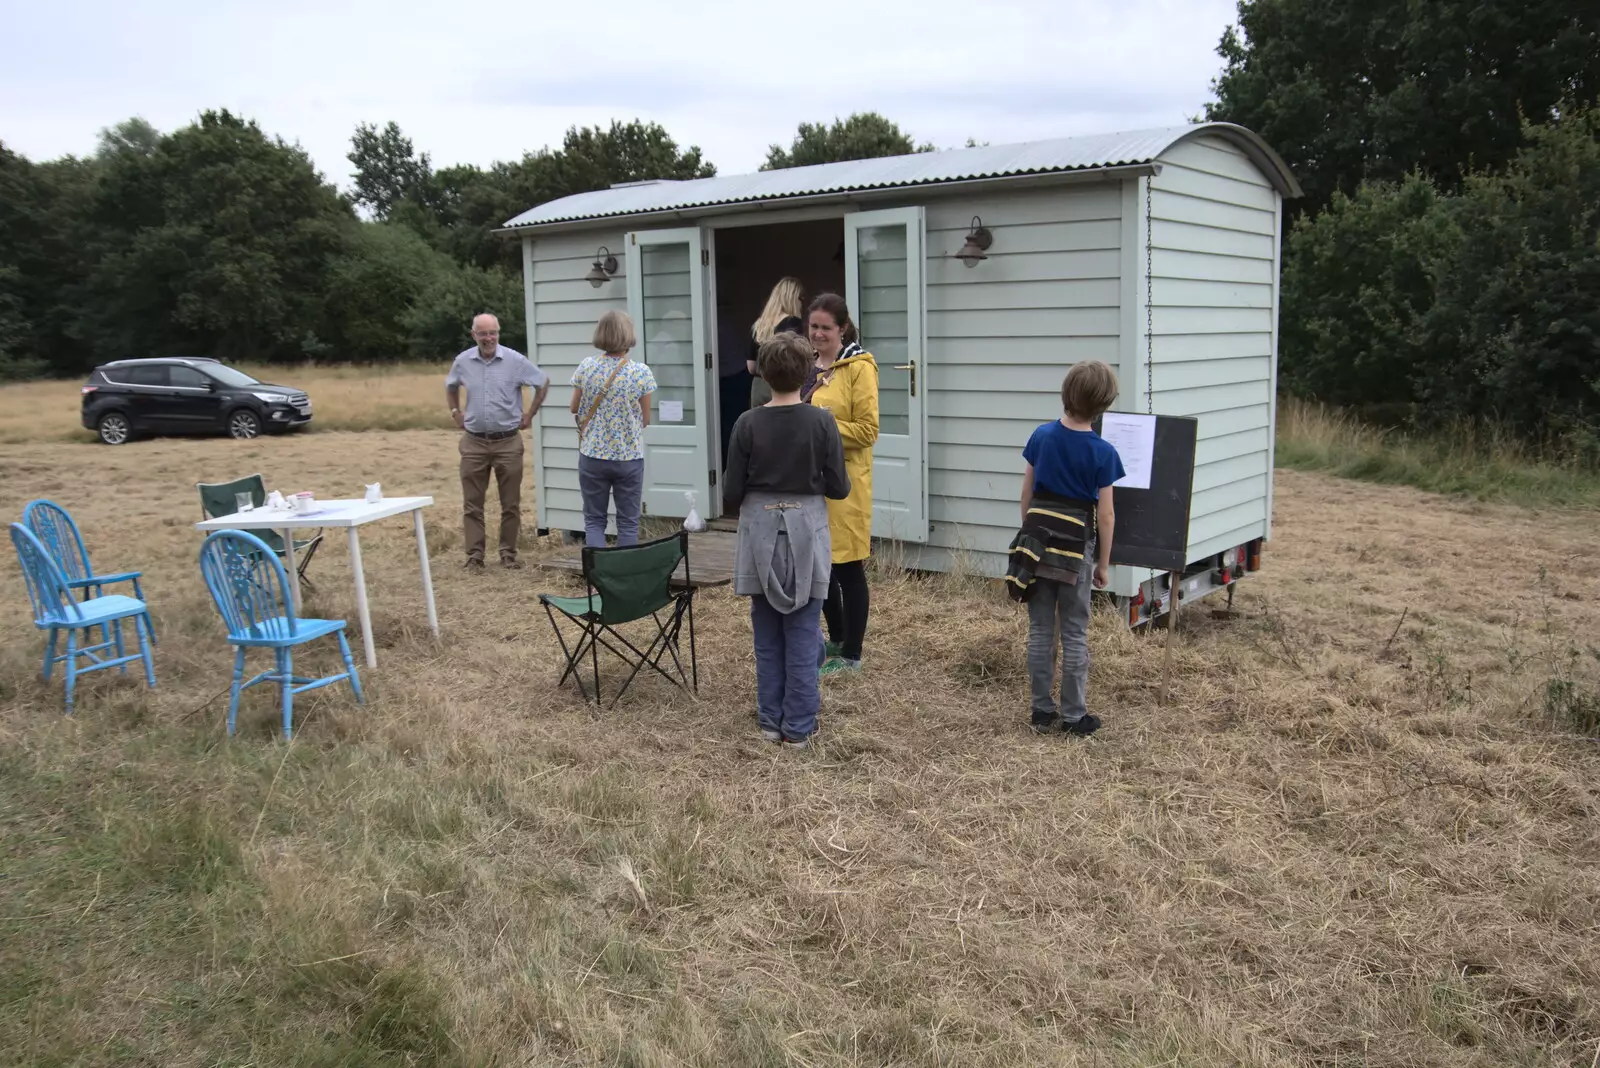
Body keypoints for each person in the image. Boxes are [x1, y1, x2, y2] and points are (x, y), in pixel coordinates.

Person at [724, 332, 850, 748]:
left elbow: (731, 493)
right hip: (806, 531)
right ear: (810, 371)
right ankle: (798, 728)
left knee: (766, 634)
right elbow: (839, 488)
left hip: (760, 531)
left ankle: (769, 724)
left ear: (762, 371)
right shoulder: (822, 421)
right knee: (802, 631)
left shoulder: (746, 422)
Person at [1017, 360, 1124, 737]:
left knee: (1041, 629)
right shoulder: (1102, 452)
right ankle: (1075, 716)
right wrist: (1103, 564)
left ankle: (1041, 712)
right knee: (1075, 631)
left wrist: (1031, 537)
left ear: (1066, 394)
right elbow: (1106, 515)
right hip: (1079, 548)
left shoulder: (1041, 437)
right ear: (1104, 404)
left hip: (1039, 543)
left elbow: (1026, 494)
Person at [804, 293, 879, 675]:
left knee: (848, 568)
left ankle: (852, 653)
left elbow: (868, 431)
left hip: (846, 482)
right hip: (811, 482)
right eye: (813, 326)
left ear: (842, 329)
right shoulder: (809, 366)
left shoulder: (859, 368)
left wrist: (822, 424)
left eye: (825, 328)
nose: (817, 334)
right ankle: (834, 637)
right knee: (822, 567)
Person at [445, 313, 549, 570]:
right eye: (483, 333)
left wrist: (530, 414)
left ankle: (508, 555)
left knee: (510, 504)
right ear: (474, 335)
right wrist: (456, 413)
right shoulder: (463, 361)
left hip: (508, 443)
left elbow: (542, 382)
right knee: (472, 504)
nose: (488, 338)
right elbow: (451, 386)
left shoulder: (515, 360)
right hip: (474, 443)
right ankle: (474, 557)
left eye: (493, 333)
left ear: (498, 334)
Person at [568, 310, 657, 549]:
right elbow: (645, 420)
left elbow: (573, 407)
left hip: (593, 455)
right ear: (628, 335)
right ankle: (625, 576)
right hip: (628, 457)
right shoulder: (641, 372)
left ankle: (598, 575)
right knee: (628, 522)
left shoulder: (586, 367)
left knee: (594, 520)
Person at [747, 277, 806, 410]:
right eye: (801, 298)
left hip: (759, 386)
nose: (802, 303)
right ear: (793, 298)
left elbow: (751, 366)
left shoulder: (759, 324)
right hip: (784, 387)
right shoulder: (793, 323)